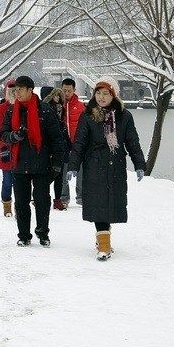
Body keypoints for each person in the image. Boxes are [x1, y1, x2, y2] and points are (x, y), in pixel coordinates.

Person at [66, 76, 146, 261]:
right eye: (98, 93)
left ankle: (104, 235)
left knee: (110, 204)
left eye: (105, 94)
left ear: (113, 96)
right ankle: (104, 246)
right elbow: (79, 143)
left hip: (116, 166)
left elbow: (132, 142)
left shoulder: (125, 116)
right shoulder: (88, 115)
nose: (101, 97)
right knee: (97, 204)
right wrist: (73, 166)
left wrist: (140, 164)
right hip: (94, 165)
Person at [0, 75, 67, 247]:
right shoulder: (11, 111)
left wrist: (57, 163)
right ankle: (23, 235)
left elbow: (56, 139)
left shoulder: (45, 110)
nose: (17, 93)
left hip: (41, 163)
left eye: (20, 90)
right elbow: (2, 135)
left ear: (30, 90)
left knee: (42, 201)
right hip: (19, 164)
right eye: (15, 90)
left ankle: (43, 233)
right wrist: (15, 136)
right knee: (21, 202)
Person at [43, 87, 72, 211]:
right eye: (56, 96)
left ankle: (58, 199)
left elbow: (64, 129)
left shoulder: (61, 110)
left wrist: (70, 146)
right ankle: (41, 195)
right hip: (50, 146)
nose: (58, 98)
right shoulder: (46, 111)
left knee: (59, 174)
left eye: (59, 96)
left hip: (61, 145)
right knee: (50, 174)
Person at [60, 77, 86, 207]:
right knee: (64, 172)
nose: (66, 93)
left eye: (69, 91)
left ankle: (81, 196)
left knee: (81, 171)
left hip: (78, 144)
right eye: (64, 90)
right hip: (64, 145)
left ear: (74, 90)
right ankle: (64, 197)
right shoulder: (59, 106)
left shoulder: (81, 106)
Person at [0, 80, 17, 217]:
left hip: (22, 151)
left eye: (15, 90)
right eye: (10, 90)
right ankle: (6, 204)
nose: (13, 93)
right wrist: (3, 145)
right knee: (8, 181)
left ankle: (19, 208)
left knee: (21, 182)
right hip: (6, 149)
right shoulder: (1, 108)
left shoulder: (22, 107)